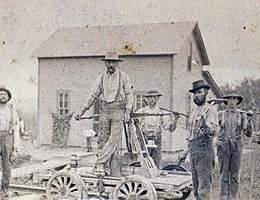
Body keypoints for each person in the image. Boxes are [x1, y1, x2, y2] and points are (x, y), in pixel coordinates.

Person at [76, 52, 134, 176]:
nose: (111, 65)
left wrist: (128, 111)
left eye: (114, 62)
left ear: (117, 64)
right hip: (104, 110)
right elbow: (92, 96)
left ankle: (99, 163)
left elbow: (129, 95)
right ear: (106, 63)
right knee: (102, 140)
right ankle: (104, 169)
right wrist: (82, 111)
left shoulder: (124, 77)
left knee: (114, 139)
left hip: (118, 110)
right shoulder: (100, 78)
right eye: (109, 62)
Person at [178, 80, 219, 200]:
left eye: (199, 92)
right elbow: (191, 134)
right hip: (194, 152)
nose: (196, 95)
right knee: (195, 189)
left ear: (206, 93)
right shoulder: (194, 111)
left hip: (205, 152)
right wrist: (185, 152)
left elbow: (214, 132)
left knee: (204, 190)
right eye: (195, 93)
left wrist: (206, 124)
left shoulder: (210, 110)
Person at [215, 94, 252, 200]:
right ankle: (223, 197)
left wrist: (249, 121)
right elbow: (213, 129)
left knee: (235, 175)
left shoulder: (242, 115)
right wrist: (215, 140)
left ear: (237, 101)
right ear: (226, 101)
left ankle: (232, 198)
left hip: (236, 147)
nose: (232, 101)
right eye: (229, 99)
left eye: (234, 99)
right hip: (223, 147)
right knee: (224, 174)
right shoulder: (220, 114)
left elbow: (248, 133)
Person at [136, 90, 179, 169]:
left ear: (157, 99)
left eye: (154, 97)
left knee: (156, 164)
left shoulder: (161, 112)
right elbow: (133, 123)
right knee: (144, 164)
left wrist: (175, 119)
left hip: (157, 140)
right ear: (147, 99)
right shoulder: (141, 111)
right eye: (150, 97)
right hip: (144, 140)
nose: (152, 99)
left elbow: (171, 128)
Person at [0, 86, 20, 198]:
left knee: (6, 167)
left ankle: (4, 190)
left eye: (4, 94)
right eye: (0, 94)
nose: (2, 96)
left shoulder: (12, 111)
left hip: (7, 139)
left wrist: (16, 149)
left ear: (8, 97)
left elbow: (16, 130)